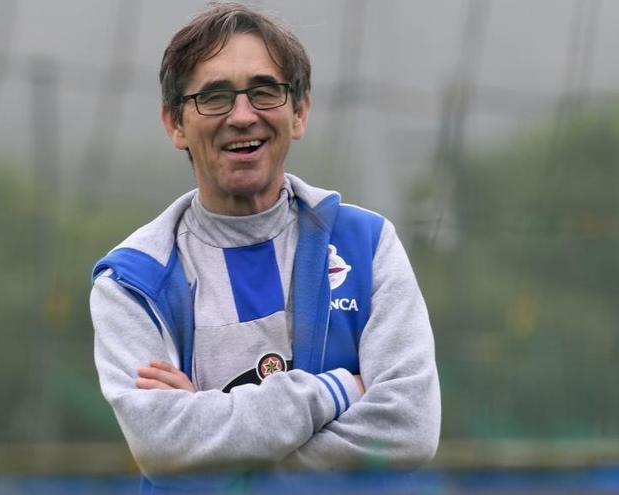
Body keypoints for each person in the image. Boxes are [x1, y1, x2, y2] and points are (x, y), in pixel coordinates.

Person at [89, 2, 440, 489]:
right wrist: (337, 389)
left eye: (264, 92)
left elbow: (409, 430)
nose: (242, 115)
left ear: (299, 112)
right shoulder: (132, 281)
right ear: (175, 124)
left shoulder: (368, 245)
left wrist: (215, 450)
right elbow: (164, 445)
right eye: (214, 97)